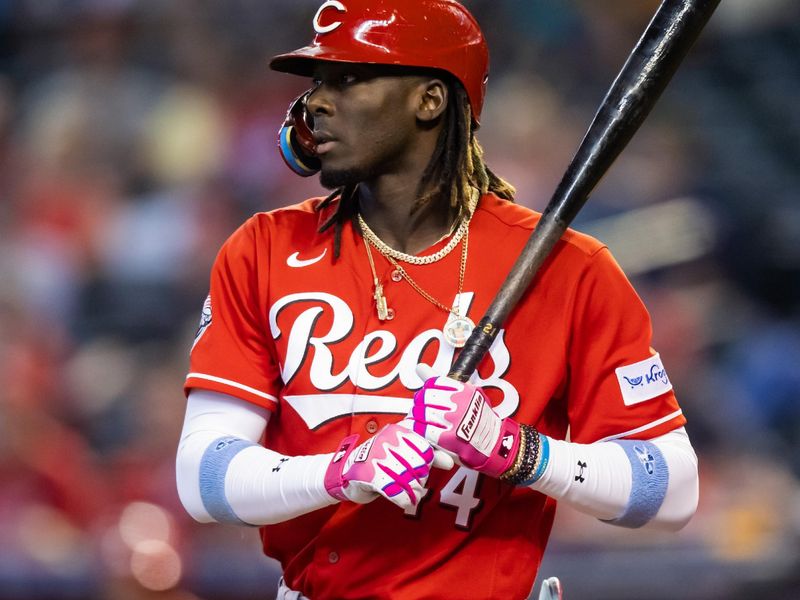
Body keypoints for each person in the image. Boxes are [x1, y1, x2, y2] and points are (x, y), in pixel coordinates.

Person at [175, 1, 700, 598]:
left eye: (349, 78)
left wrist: (514, 450)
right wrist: (345, 471)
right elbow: (203, 478)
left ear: (430, 99)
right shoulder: (264, 250)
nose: (316, 103)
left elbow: (671, 489)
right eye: (318, 83)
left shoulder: (571, 270)